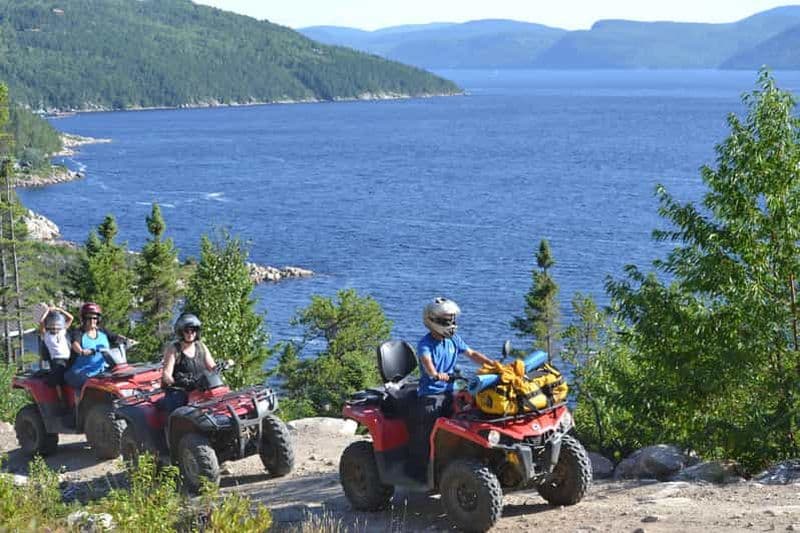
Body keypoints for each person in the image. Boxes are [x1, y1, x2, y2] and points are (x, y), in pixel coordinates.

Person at [411, 297, 494, 472]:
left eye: (452, 319)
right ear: (433, 320)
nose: (451, 324)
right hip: (431, 395)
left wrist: (492, 365)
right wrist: (435, 374)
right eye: (447, 320)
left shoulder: (453, 339)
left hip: (452, 391)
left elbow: (472, 354)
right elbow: (426, 361)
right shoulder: (425, 344)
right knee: (430, 435)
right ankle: (424, 469)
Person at [64, 302, 129, 395]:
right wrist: (82, 351)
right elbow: (75, 344)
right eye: (88, 318)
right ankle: (80, 408)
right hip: (79, 371)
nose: (92, 320)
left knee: (118, 379)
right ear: (83, 319)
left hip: (101, 370)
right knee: (90, 387)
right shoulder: (78, 332)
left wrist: (127, 340)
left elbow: (116, 337)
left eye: (94, 318)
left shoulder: (102, 331)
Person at [160, 313, 218, 413]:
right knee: (177, 407)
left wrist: (222, 366)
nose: (190, 333)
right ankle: (173, 427)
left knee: (220, 398)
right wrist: (177, 382)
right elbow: (166, 374)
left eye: (193, 330)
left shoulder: (201, 346)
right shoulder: (174, 349)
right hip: (180, 390)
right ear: (181, 332)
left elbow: (212, 366)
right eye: (187, 330)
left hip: (201, 387)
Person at [39, 306, 74, 406]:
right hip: (57, 360)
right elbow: (41, 321)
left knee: (72, 377)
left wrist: (59, 310)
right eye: (52, 325)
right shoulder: (46, 335)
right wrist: (47, 311)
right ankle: (62, 400)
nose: (55, 327)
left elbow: (71, 318)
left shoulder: (62, 332)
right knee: (58, 381)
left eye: (56, 325)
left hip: (68, 358)